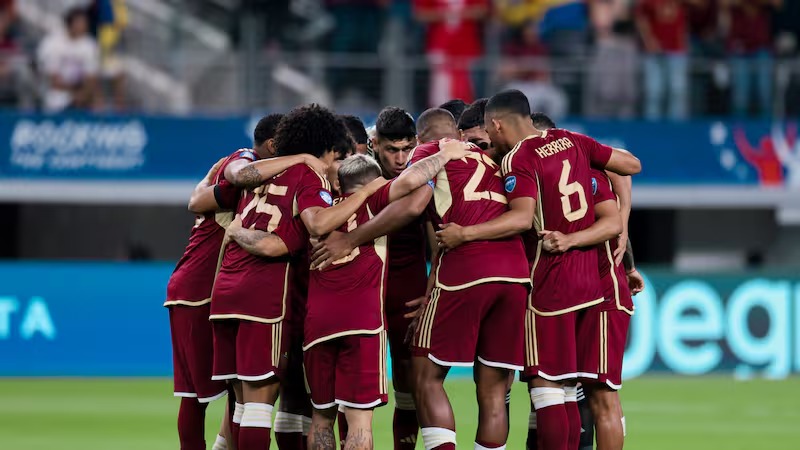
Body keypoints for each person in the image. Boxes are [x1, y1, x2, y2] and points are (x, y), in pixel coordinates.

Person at [435, 89, 641, 450]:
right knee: (578, 389)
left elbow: (520, 218)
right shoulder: (575, 143)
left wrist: (464, 233)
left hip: (550, 282)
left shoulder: (519, 159)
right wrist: (622, 222)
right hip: (593, 282)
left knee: (548, 387)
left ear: (497, 124)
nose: (490, 142)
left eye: (489, 132)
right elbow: (629, 167)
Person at [209, 104, 384, 450]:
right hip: (265, 297)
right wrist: (366, 191)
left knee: (240, 401)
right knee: (259, 402)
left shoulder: (262, 171)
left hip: (226, 292)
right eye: (337, 157)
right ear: (327, 150)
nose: (337, 167)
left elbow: (225, 187)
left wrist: (236, 231)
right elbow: (297, 234)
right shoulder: (310, 177)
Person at [303, 147, 469, 450]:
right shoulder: (375, 202)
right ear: (376, 182)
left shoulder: (319, 215)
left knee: (321, 418)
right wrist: (444, 154)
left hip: (316, 324)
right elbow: (412, 184)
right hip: (362, 324)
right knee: (359, 420)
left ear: (339, 184)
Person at [403, 110, 530, 450]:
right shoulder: (497, 161)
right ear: (460, 133)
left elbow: (409, 189)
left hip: (467, 270)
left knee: (425, 375)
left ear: (419, 139)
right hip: (516, 275)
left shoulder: (430, 151)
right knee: (494, 391)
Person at [163, 113, 288, 450]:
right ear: (273, 145)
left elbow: (198, 199)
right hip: (199, 289)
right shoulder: (244, 161)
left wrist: (201, 187)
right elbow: (227, 182)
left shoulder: (259, 175)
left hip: (200, 287)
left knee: (235, 387)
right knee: (201, 395)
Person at [413, 0, 488, 106]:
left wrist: (456, 13)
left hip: (467, 48)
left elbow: (483, 9)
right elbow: (420, 13)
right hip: (439, 47)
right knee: (439, 92)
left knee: (467, 91)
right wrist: (445, 14)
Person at [37, 7, 100, 112]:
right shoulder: (52, 43)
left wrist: (83, 94)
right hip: (55, 91)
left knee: (97, 99)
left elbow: (91, 77)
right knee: (55, 100)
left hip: (80, 91)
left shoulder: (90, 45)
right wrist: (74, 93)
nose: (83, 26)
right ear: (70, 23)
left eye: (85, 23)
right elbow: (53, 79)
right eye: (80, 23)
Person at [724, 0, 781, 117]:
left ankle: (766, 127)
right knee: (740, 95)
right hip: (739, 48)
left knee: (764, 93)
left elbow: (778, 3)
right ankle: (738, 128)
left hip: (762, 47)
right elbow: (724, 3)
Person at [634, 0, 689, 120]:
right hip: (654, 52)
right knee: (653, 94)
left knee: (677, 94)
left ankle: (676, 129)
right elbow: (641, 17)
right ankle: (652, 129)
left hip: (677, 50)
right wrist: (648, 40)